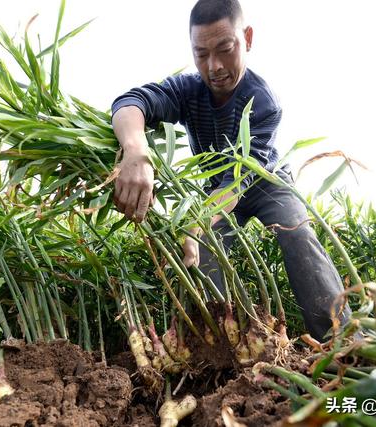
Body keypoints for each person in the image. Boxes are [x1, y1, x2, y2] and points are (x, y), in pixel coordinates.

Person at [111, 0, 350, 340]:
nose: (215, 66)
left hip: (265, 181)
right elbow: (130, 102)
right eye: (201, 54)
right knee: (205, 247)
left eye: (225, 49)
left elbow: (239, 180)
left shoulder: (263, 101)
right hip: (216, 189)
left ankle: (340, 340)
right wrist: (136, 151)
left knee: (297, 232)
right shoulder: (189, 90)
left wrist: (198, 225)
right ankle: (227, 341)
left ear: (247, 38)